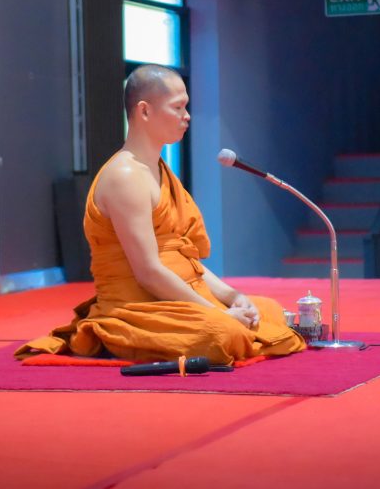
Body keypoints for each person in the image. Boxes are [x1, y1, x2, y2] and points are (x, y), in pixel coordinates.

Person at [16, 64, 306, 364]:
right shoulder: (125, 176)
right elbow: (148, 272)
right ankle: (121, 337)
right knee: (222, 333)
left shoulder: (159, 170)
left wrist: (232, 297)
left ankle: (221, 320)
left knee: (269, 311)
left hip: (179, 299)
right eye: (178, 107)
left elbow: (183, 256)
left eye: (186, 107)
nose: (187, 116)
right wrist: (218, 313)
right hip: (137, 308)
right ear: (144, 111)